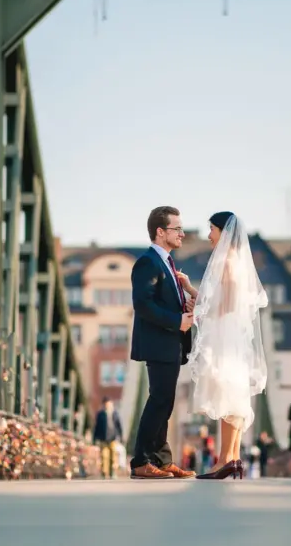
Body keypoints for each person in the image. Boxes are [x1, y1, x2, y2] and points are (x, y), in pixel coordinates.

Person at [177, 211, 268, 481]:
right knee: (234, 396)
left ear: (223, 232)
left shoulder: (227, 262)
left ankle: (224, 460)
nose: (208, 235)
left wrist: (199, 312)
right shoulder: (238, 263)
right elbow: (225, 302)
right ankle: (233, 458)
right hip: (233, 338)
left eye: (212, 230)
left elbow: (225, 306)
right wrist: (194, 293)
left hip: (224, 337)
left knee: (226, 395)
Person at [128, 206, 197, 480]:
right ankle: (141, 461)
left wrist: (185, 305)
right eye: (176, 229)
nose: (181, 233)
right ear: (160, 231)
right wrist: (177, 320)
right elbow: (143, 304)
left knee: (165, 402)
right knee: (159, 401)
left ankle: (161, 459)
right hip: (159, 342)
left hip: (170, 343)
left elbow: (160, 301)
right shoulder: (148, 262)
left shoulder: (166, 263)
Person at [92, 397, 123, 479]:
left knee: (113, 456)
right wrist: (94, 439)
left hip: (113, 438)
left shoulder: (115, 413)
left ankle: (112, 472)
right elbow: (97, 427)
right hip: (103, 438)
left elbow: (119, 426)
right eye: (106, 404)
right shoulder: (100, 414)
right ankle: (104, 473)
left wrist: (120, 436)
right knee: (104, 456)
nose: (107, 405)